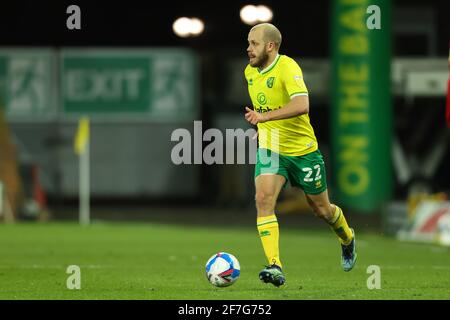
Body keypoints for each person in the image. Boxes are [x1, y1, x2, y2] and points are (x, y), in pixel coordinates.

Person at [244, 23, 357, 287]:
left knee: (322, 210)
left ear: (270, 46)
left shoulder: (288, 67)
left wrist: (264, 117)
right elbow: (265, 108)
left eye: (254, 43)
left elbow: (302, 105)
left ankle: (347, 238)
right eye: (248, 43)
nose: (248, 49)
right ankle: (275, 265)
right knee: (263, 199)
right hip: (271, 146)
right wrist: (263, 128)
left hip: (303, 151)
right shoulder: (249, 72)